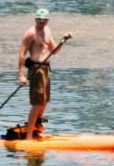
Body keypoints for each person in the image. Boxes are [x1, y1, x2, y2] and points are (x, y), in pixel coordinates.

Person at [8, 8, 71, 139]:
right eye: (39, 19)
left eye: (44, 19)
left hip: (46, 69)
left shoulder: (47, 31)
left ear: (48, 20)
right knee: (37, 103)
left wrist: (63, 40)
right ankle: (29, 137)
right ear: (35, 19)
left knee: (44, 102)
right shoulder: (30, 33)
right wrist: (21, 75)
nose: (41, 21)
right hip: (35, 70)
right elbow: (21, 53)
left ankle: (37, 127)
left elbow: (55, 52)